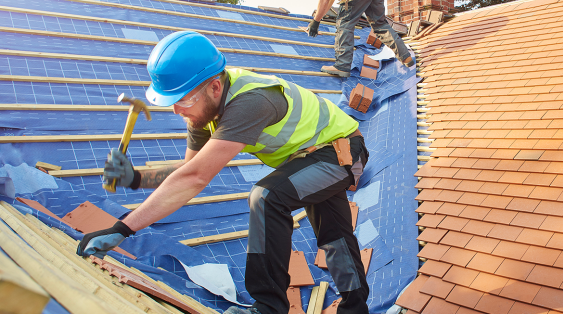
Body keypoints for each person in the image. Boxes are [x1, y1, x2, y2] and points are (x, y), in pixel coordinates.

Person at [76, 31, 370, 314]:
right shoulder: (202, 111)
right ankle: (356, 309)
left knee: (266, 197)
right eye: (172, 102)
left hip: (343, 152)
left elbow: (194, 179)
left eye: (184, 100)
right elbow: (188, 171)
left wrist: (122, 228)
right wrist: (137, 179)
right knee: (335, 236)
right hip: (313, 157)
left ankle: (268, 308)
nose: (178, 111)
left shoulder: (250, 103)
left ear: (215, 87)